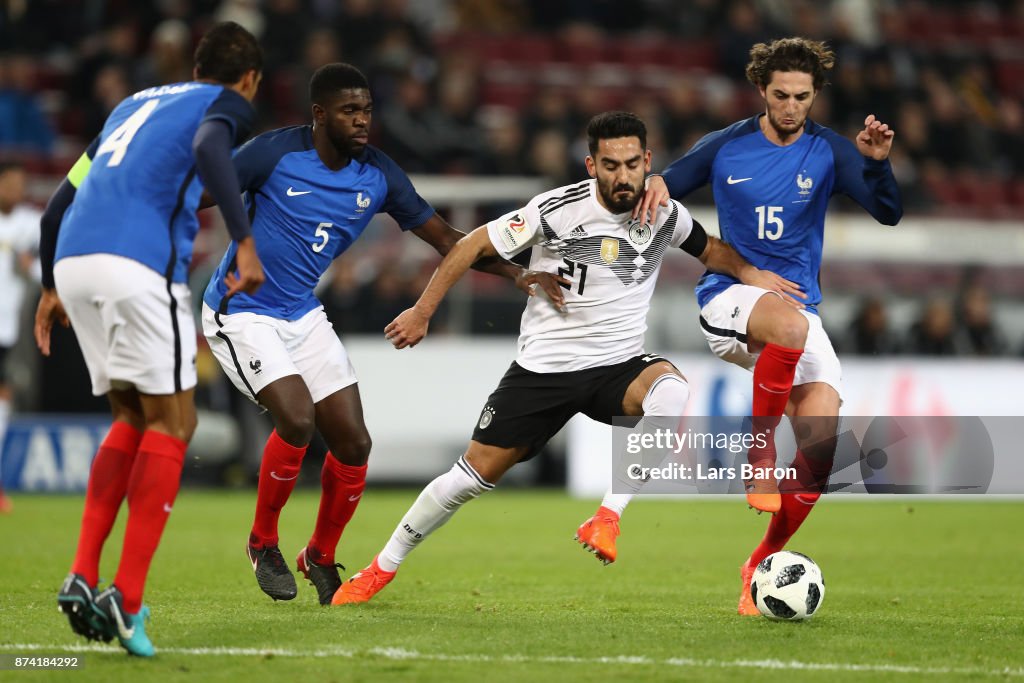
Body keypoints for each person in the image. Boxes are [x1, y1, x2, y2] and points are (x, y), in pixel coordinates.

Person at [331, 111, 801, 605]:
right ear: (591, 164)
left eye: (631, 164)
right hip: (544, 371)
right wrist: (424, 310)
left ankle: (607, 517)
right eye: (610, 165)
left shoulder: (664, 212)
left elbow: (710, 251)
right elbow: (472, 243)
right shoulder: (558, 209)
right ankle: (381, 567)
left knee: (674, 392)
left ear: (648, 161)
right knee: (467, 480)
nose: (623, 176)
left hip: (617, 366)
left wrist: (750, 272)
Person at [200, 62, 563, 606]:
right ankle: (263, 543)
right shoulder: (273, 154)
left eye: (367, 110)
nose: (363, 121)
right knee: (297, 420)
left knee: (353, 440)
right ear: (319, 115)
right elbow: (200, 193)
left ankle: (319, 554)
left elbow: (445, 238)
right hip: (240, 311)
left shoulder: (379, 175)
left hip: (300, 312)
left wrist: (515, 273)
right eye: (350, 111)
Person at [609, 37, 902, 616]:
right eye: (780, 95)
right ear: (761, 92)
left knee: (820, 454)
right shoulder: (727, 146)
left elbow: (888, 212)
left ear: (815, 94)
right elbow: (665, 183)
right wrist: (661, 181)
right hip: (730, 300)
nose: (791, 107)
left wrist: (878, 163)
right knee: (789, 329)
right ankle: (757, 453)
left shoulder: (831, 151)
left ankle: (759, 562)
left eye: (802, 96)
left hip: (796, 315)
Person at [34, 22, 265, 656]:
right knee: (176, 424)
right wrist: (244, 243)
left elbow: (58, 202)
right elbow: (216, 151)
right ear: (249, 78)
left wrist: (52, 285)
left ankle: (83, 573)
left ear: (195, 67)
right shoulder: (225, 105)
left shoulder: (130, 104)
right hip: (138, 264)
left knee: (133, 416)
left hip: (75, 262)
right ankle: (126, 599)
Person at [0, 161, 41, 514]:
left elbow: (43, 271)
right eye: (8, 183)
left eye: (19, 183)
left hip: (7, 329)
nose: (14, 190)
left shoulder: (30, 224)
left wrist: (31, 267)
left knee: (4, 400)